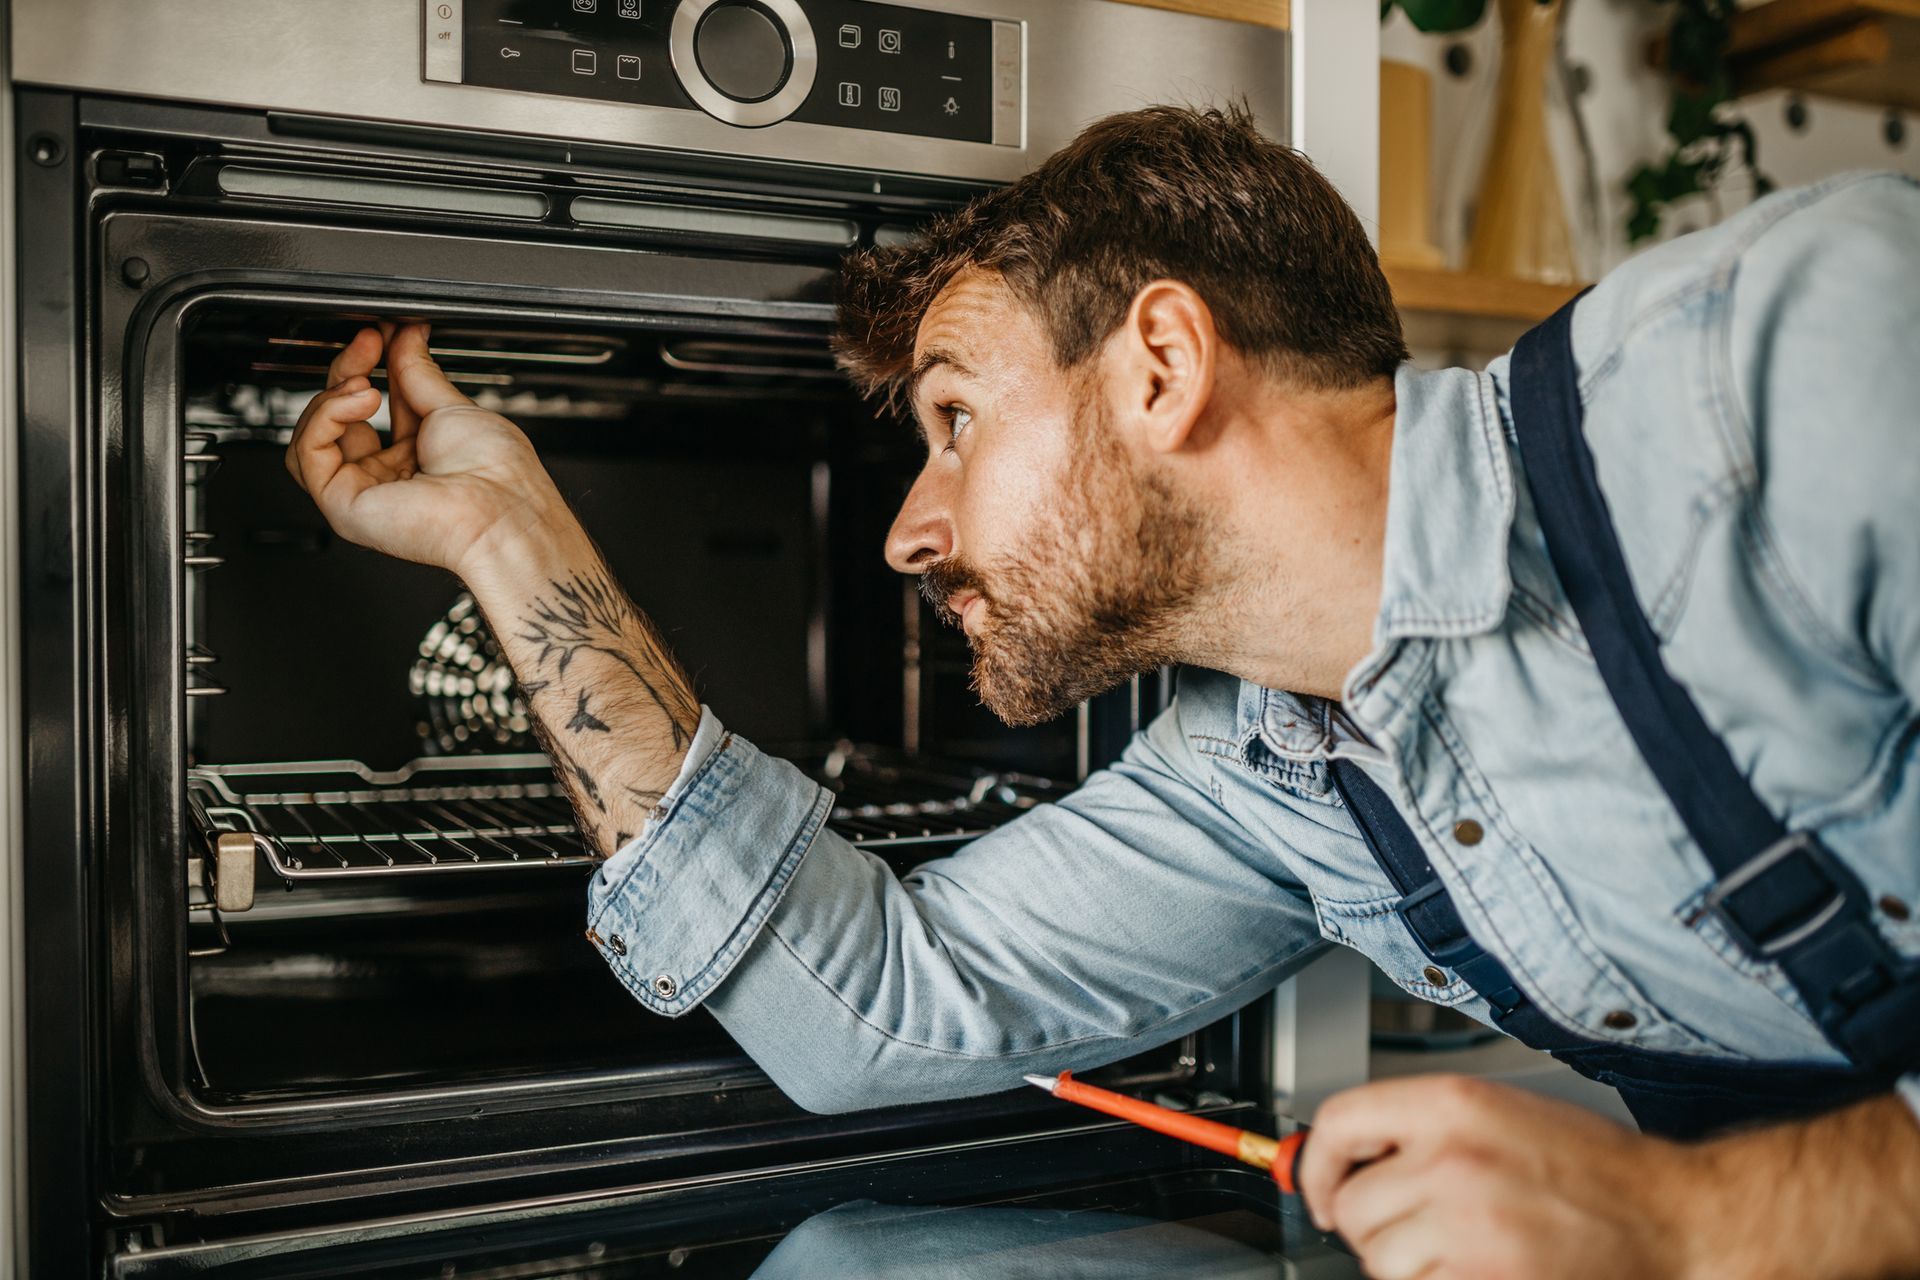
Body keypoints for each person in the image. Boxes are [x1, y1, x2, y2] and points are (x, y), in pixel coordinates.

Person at [286, 105, 1920, 1278]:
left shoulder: (1788, 364)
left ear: (1160, 365)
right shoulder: (1274, 775)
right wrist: (509, 538)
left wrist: (1688, 1227)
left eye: (954, 421)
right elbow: (870, 1009)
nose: (913, 534)